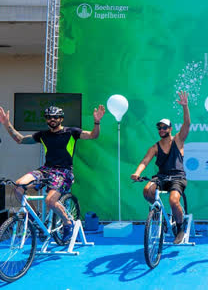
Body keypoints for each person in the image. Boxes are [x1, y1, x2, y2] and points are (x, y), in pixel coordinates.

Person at [0, 104, 105, 242]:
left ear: (61, 118)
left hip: (64, 172)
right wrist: (7, 124)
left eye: (55, 117)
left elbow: (93, 135)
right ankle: (35, 218)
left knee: (50, 200)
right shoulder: (43, 135)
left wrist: (97, 122)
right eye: (49, 117)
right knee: (19, 187)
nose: (52, 119)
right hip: (46, 170)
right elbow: (19, 139)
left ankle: (68, 223)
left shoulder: (71, 132)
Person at [131, 91, 190, 244]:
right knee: (146, 190)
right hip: (161, 177)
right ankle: (160, 216)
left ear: (170, 129)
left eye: (164, 127)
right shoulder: (155, 147)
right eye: (159, 128)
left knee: (173, 201)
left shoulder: (178, 140)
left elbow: (187, 124)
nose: (161, 130)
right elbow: (145, 161)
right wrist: (137, 173)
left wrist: (185, 107)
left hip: (178, 177)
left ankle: (180, 227)